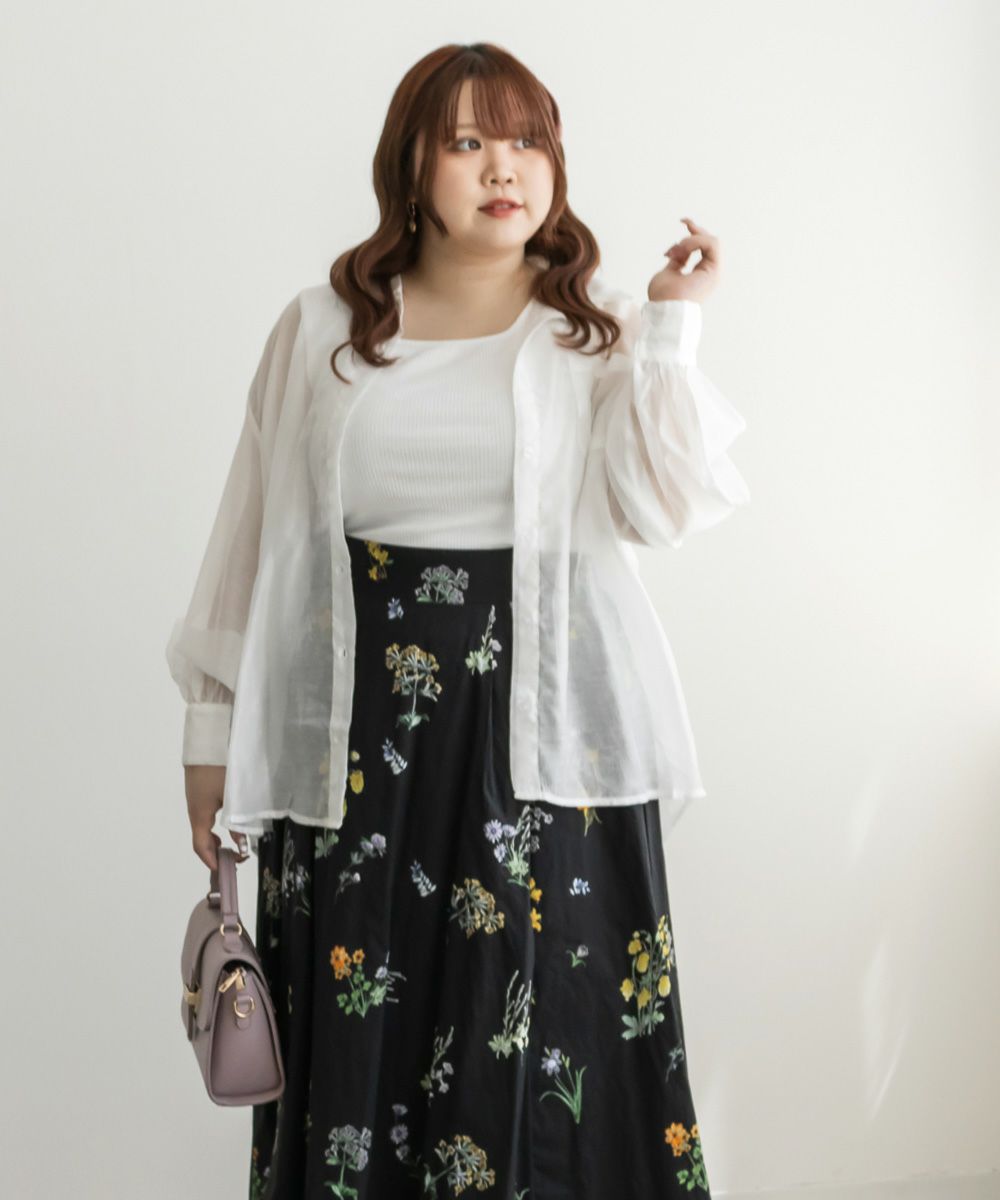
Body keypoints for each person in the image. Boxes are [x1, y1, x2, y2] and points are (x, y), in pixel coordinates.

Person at [166, 40, 748, 1200]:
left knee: (545, 1040)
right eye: (468, 141)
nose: (503, 168)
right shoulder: (322, 330)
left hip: (548, 753)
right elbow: (251, 543)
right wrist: (209, 738)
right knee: (365, 1031)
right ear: (412, 167)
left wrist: (673, 329)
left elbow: (664, 507)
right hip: (355, 753)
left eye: (527, 141)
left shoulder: (598, 333)